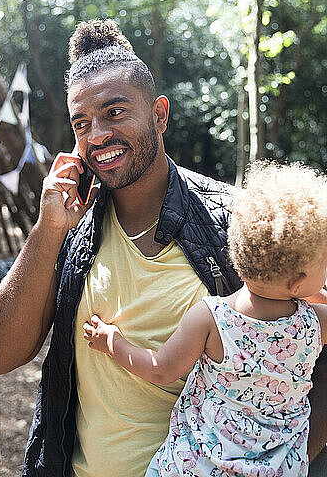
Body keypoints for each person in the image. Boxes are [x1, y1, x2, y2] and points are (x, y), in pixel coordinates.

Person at [0, 19, 327, 477]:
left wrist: (291, 457)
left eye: (115, 112)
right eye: (82, 123)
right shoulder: (69, 232)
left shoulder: (236, 225)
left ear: (160, 114)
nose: (96, 134)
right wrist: (46, 231)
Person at [83, 161, 327, 477]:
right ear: (297, 282)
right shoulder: (316, 322)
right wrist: (309, 292)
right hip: (277, 467)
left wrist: (112, 342)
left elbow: (161, 369)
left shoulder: (213, 318)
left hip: (200, 466)